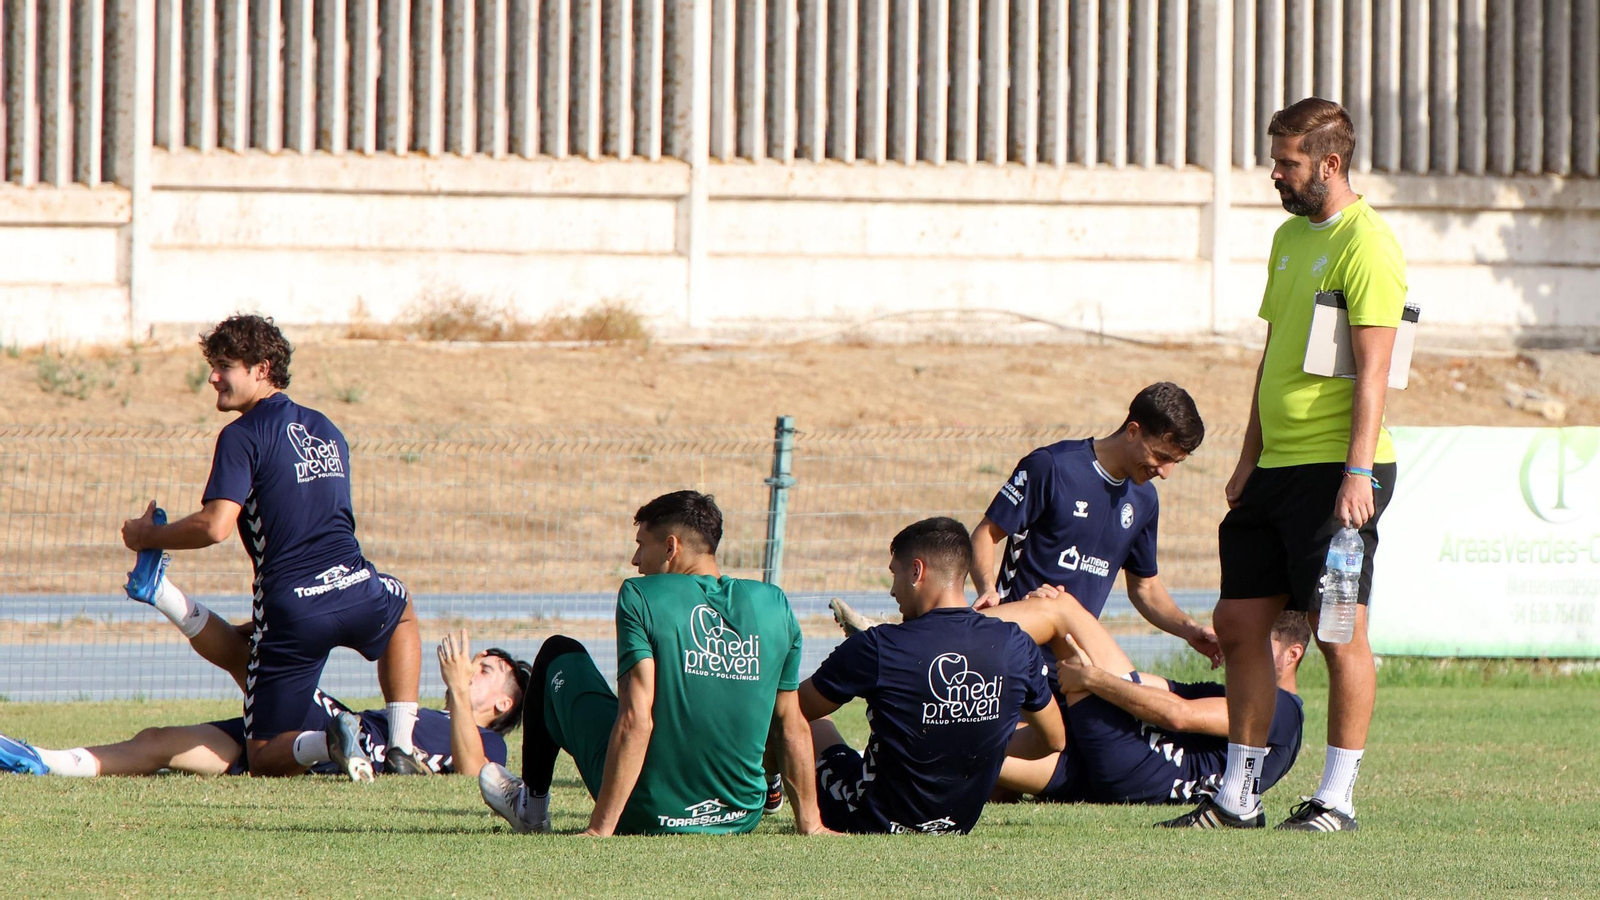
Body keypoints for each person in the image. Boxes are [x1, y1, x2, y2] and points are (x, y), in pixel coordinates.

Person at [1164, 97, 1406, 832]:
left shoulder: (1370, 246)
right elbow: (1274, 356)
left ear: (1329, 164)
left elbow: (1373, 373)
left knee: (1337, 633)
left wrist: (1357, 474)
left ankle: (1337, 799)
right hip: (1275, 467)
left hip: (1340, 471)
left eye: (1288, 163)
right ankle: (1238, 797)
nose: (1275, 174)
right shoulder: (1286, 239)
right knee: (1239, 623)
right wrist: (1248, 458)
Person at [119, 314, 426, 777]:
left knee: (262, 755)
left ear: (262, 369)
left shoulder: (242, 435)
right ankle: (401, 747)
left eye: (225, 365)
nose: (213, 377)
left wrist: (149, 537)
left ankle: (329, 740)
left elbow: (215, 526)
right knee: (401, 608)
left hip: (294, 611)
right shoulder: (327, 428)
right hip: (358, 587)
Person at [476, 490, 827, 836]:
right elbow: (790, 724)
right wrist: (812, 825)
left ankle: (531, 810)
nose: (635, 560)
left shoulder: (640, 595)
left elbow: (635, 719)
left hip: (645, 812)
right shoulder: (775, 604)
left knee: (557, 650)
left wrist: (601, 829)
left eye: (642, 544)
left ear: (671, 547)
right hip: (740, 814)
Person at [798, 517, 1064, 835]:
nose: (893, 591)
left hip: (871, 817)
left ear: (916, 571)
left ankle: (763, 795)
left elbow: (792, 710)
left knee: (807, 718)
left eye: (894, 575)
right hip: (960, 823)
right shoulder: (1016, 644)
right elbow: (1054, 739)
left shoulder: (877, 646)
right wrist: (977, 742)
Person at [0, 629, 525, 780]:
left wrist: (457, 690)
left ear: (502, 702)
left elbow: (472, 772)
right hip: (321, 728)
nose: (470, 665)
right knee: (158, 743)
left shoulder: (491, 743)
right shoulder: (415, 710)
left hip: (345, 738)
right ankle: (44, 762)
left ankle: (165, 595)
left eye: (485, 669)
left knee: (255, 656)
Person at [973, 586, 1306, 806]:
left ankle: (942, 633)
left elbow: (1179, 715)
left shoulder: (1282, 708)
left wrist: (1094, 678)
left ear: (1292, 655)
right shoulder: (1242, 693)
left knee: (1061, 610)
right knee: (965, 745)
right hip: (1117, 772)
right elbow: (1144, 685)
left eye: (1258, 644)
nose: (1243, 651)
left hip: (1144, 762)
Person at [969, 383, 1220, 667]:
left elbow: (1145, 588)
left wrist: (1190, 630)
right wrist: (987, 588)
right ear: (1133, 431)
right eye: (1161, 457)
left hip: (1075, 665)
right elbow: (986, 534)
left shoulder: (1144, 499)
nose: (1165, 473)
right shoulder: (1052, 467)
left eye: (1175, 462)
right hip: (1012, 653)